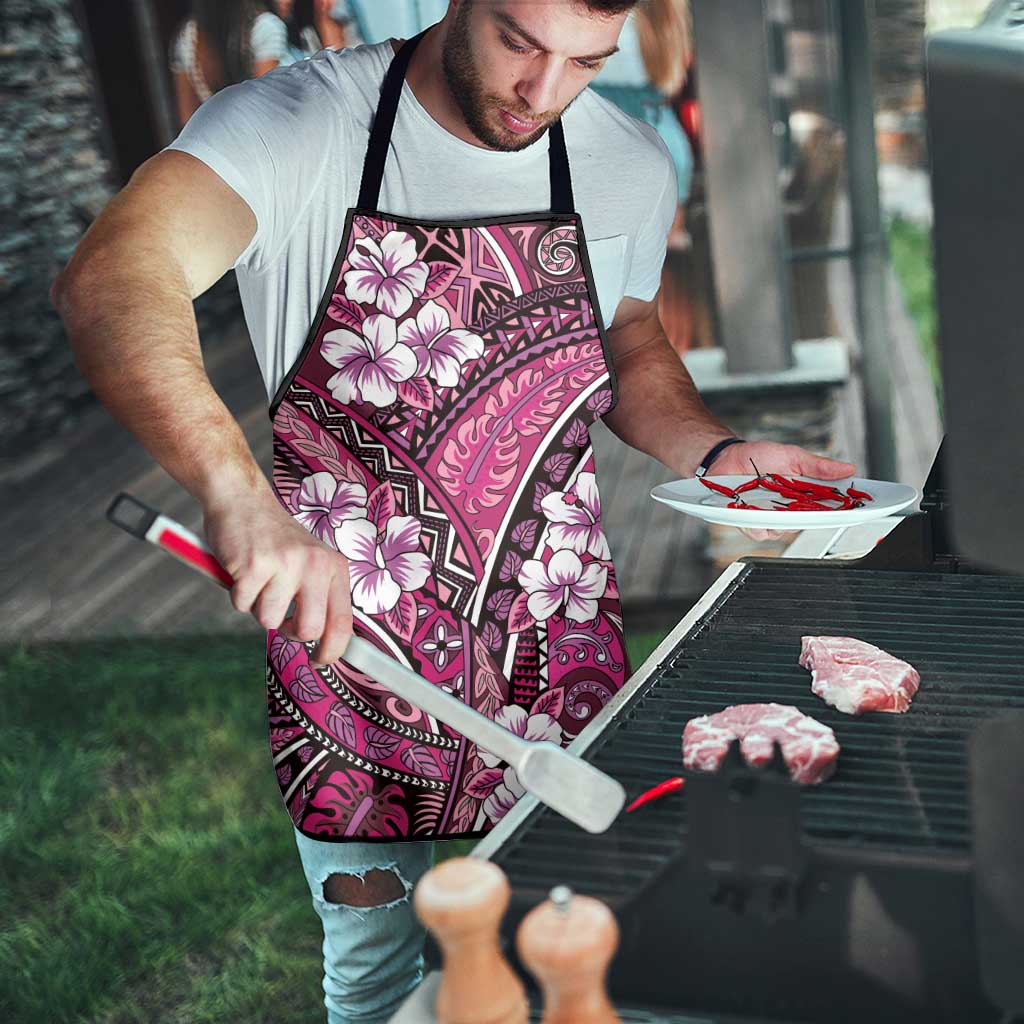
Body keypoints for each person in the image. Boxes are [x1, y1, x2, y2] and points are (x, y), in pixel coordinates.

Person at [53, 2, 856, 1021]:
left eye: (585, 62)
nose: (543, 93)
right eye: (521, 42)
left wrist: (716, 448)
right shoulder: (297, 124)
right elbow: (113, 275)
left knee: (588, 948)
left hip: (553, 643)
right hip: (353, 656)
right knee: (379, 977)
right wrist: (236, 497)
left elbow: (630, 337)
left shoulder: (624, 160)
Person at [169, 0, 288, 126]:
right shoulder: (265, 27)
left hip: (215, 139)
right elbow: (267, 108)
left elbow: (187, 121)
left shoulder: (188, 37)